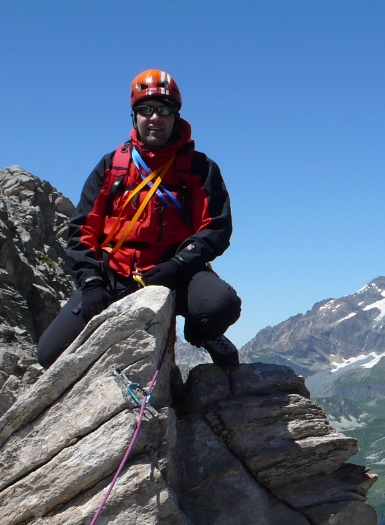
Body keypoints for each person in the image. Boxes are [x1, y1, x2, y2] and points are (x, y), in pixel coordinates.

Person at [38, 69, 241, 369]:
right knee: (49, 354)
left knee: (220, 306)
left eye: (164, 109)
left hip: (174, 272)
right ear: (134, 116)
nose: (155, 117)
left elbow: (216, 228)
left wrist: (177, 266)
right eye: (145, 110)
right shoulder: (112, 166)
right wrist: (91, 281)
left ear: (176, 115)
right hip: (114, 275)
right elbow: (82, 229)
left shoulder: (199, 168)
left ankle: (203, 333)